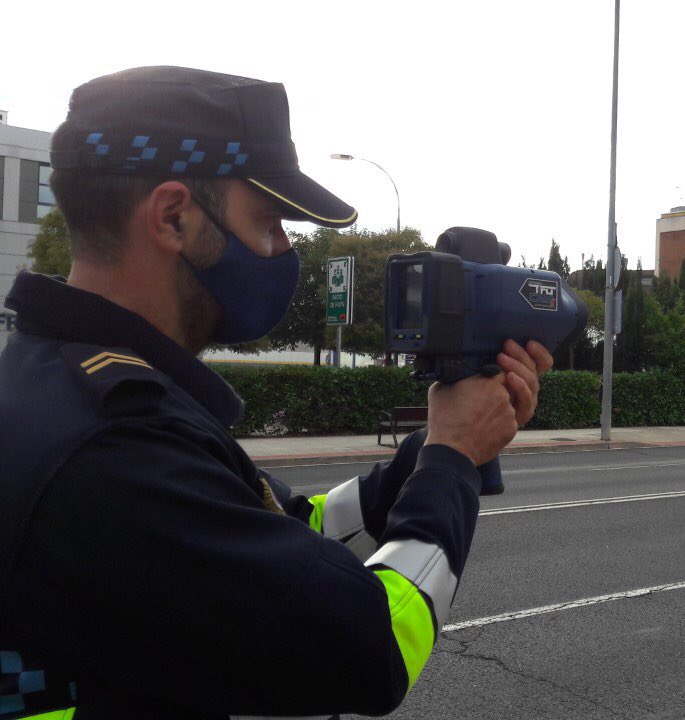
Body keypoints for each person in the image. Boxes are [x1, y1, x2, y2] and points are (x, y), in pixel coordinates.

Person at [0, 66, 552, 719]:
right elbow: (369, 646)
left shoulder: (69, 385)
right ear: (174, 216)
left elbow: (289, 529)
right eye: (268, 220)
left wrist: (434, 445)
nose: (283, 249)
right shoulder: (110, 447)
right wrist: (454, 465)